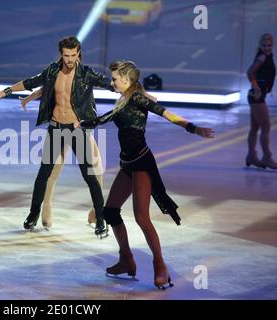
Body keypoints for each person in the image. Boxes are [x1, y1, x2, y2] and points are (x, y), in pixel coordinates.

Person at [79, 61, 214, 289]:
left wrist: (192, 127)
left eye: (114, 79)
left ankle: (160, 265)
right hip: (127, 164)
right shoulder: (123, 99)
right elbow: (107, 117)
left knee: (142, 217)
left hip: (141, 163)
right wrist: (82, 124)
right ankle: (126, 259)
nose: (112, 83)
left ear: (127, 80)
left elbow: (165, 113)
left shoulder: (138, 98)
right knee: (111, 212)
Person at [0, 36, 113, 238]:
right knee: (44, 174)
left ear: (79, 54)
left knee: (90, 175)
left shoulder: (86, 73)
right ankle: (33, 214)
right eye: (66, 55)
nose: (69, 59)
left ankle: (101, 219)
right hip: (56, 128)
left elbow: (110, 84)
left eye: (73, 55)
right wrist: (6, 91)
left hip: (78, 130)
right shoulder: (52, 71)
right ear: (61, 54)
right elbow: (30, 82)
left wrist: (135, 91)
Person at [19, 88, 102, 229]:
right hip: (70, 127)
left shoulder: (68, 74)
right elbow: (47, 86)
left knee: (90, 168)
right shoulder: (79, 74)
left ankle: (48, 211)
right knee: (92, 169)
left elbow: (45, 87)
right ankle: (94, 212)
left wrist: (28, 98)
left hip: (72, 127)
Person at [246, 33, 276, 169]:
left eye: (269, 45)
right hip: (257, 97)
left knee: (255, 128)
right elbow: (250, 73)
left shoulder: (268, 56)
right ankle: (267, 157)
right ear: (260, 45)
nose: (266, 48)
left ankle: (251, 156)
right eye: (264, 45)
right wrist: (257, 87)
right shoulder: (262, 57)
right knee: (266, 127)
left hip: (256, 95)